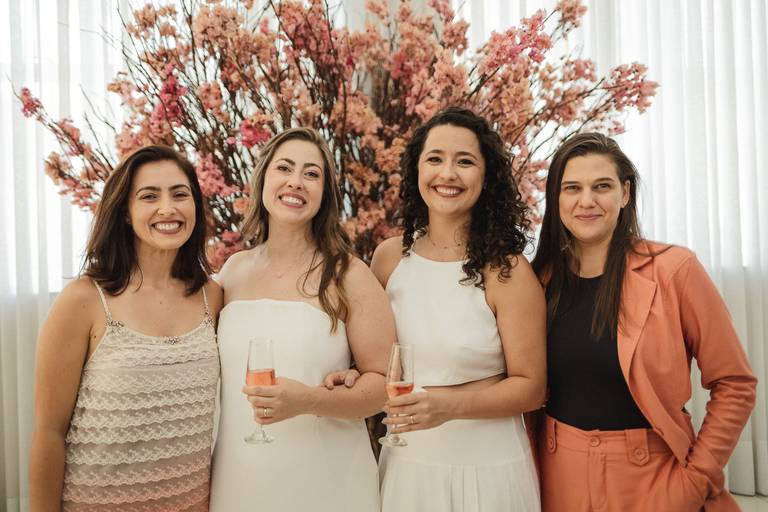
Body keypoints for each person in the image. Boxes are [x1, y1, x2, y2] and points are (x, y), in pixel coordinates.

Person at [529, 132, 757, 511]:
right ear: (556, 199)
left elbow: (735, 383)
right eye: (572, 188)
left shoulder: (675, 269)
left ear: (625, 193)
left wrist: (695, 480)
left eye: (602, 186)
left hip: (655, 477)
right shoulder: (537, 282)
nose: (586, 200)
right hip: (556, 476)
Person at [29, 145, 223, 511]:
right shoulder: (84, 299)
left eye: (180, 194)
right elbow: (49, 432)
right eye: (149, 196)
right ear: (125, 213)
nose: (168, 208)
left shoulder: (212, 296)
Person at [209, 127, 394, 511]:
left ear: (324, 193)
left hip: (326, 479)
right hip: (239, 477)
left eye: (311, 174)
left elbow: (384, 386)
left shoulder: (349, 274)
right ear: (263, 179)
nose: (296, 181)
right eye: (285, 168)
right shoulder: (231, 272)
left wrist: (309, 400)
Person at [371, 107, 545, 511]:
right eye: (435, 159)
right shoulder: (388, 259)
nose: (447, 173)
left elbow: (531, 387)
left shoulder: (507, 270)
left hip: (489, 471)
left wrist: (448, 407)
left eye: (464, 161)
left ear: (487, 176)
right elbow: (372, 361)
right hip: (407, 465)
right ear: (417, 170)